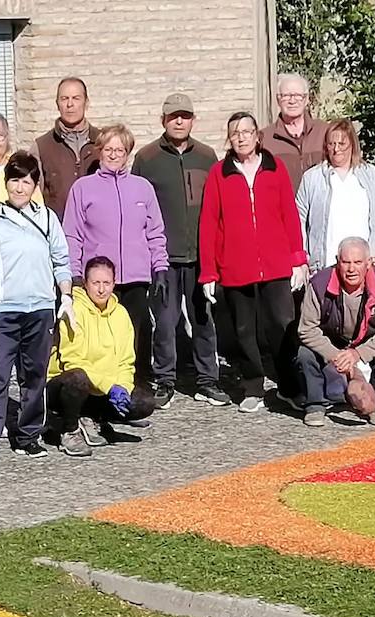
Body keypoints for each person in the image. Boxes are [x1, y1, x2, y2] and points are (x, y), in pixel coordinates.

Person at [0, 151, 74, 466]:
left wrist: (66, 297)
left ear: (34, 184)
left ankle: (28, 436)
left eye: (26, 181)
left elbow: (61, 261)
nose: (20, 187)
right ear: (6, 182)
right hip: (2, 312)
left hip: (40, 310)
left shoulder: (48, 218)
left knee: (34, 375)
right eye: (15, 180)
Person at [198, 111, 308, 413]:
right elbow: (209, 223)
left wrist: (298, 259)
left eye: (247, 131)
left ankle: (289, 387)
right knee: (244, 330)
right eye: (235, 133)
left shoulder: (276, 168)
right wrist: (208, 271)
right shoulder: (219, 173)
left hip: (275, 265)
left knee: (282, 327)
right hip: (235, 267)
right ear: (229, 139)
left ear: (257, 135)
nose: (242, 137)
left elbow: (289, 214)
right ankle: (253, 387)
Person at [132, 92, 229, 407]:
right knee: (166, 320)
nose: (179, 121)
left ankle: (207, 380)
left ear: (192, 120)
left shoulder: (207, 156)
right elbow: (138, 208)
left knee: (203, 320)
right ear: (163, 120)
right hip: (164, 257)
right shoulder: (147, 159)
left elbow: (219, 206)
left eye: (184, 116)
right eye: (173, 116)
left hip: (201, 256)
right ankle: (165, 380)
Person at [62, 125, 169, 399]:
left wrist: (160, 268)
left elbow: (155, 231)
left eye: (120, 150)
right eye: (108, 149)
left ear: (128, 153)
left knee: (138, 332)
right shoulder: (83, 188)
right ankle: (98, 389)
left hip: (134, 275)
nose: (114, 155)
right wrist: (74, 275)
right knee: (97, 337)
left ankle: (139, 385)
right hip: (98, 279)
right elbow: (72, 234)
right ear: (99, 152)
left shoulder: (142, 188)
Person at [47, 257, 155, 457]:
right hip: (64, 385)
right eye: (95, 283)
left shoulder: (121, 314)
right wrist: (109, 386)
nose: (101, 289)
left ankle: (93, 417)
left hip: (102, 389)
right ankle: (69, 429)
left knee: (145, 402)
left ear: (114, 284)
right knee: (77, 378)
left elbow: (126, 361)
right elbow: (73, 362)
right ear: (86, 284)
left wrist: (122, 386)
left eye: (106, 283)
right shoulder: (74, 310)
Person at [297, 237, 375, 428]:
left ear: (369, 263)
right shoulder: (319, 284)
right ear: (338, 261)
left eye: (358, 262)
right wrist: (335, 355)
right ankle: (315, 405)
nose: (351, 269)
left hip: (367, 343)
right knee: (305, 354)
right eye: (346, 262)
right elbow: (306, 329)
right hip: (331, 341)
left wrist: (358, 354)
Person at [296, 118, 375, 273]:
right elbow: (299, 219)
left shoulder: (369, 174)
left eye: (341, 144)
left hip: (365, 267)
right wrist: (304, 258)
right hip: (325, 267)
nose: (336, 149)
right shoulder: (312, 178)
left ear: (352, 145)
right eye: (331, 144)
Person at [33, 77, 100, 219]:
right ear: (57, 104)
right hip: (58, 232)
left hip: (99, 231)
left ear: (86, 103)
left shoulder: (103, 142)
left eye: (76, 98)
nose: (70, 104)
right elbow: (33, 197)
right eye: (64, 99)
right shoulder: (42, 146)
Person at [261, 73, 328, 187]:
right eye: (286, 95)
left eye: (297, 95)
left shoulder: (324, 132)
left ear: (306, 99)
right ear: (278, 100)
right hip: (283, 204)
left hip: (319, 203)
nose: (292, 101)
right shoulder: (265, 138)